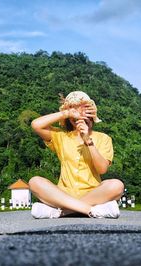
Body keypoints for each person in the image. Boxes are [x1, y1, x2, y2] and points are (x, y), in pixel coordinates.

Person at [29, 91, 124, 219]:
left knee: (117, 185)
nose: (78, 114)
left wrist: (88, 142)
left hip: (93, 194)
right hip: (63, 194)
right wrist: (66, 112)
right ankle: (91, 210)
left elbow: (102, 169)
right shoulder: (61, 136)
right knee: (35, 182)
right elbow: (36, 125)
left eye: (83, 109)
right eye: (74, 110)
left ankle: (62, 212)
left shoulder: (103, 138)